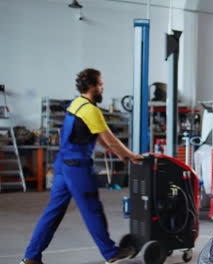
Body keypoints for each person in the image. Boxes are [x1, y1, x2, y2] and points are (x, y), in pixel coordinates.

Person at [20, 69, 143, 264]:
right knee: (92, 209)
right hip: (77, 166)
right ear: (92, 86)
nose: (103, 87)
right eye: (101, 84)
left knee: (53, 212)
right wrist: (131, 155)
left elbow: (101, 139)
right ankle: (111, 253)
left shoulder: (75, 104)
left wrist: (122, 155)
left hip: (62, 164)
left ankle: (31, 257)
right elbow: (109, 139)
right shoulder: (91, 110)